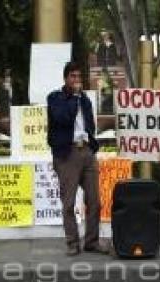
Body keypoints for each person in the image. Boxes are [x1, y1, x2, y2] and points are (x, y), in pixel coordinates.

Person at [47, 61, 108, 256]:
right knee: (69, 203)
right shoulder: (56, 98)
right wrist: (74, 97)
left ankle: (92, 241)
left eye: (79, 77)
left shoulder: (84, 99)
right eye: (73, 77)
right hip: (67, 153)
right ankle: (72, 243)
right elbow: (63, 118)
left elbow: (89, 124)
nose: (77, 80)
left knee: (95, 201)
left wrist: (91, 144)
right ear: (65, 78)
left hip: (86, 151)